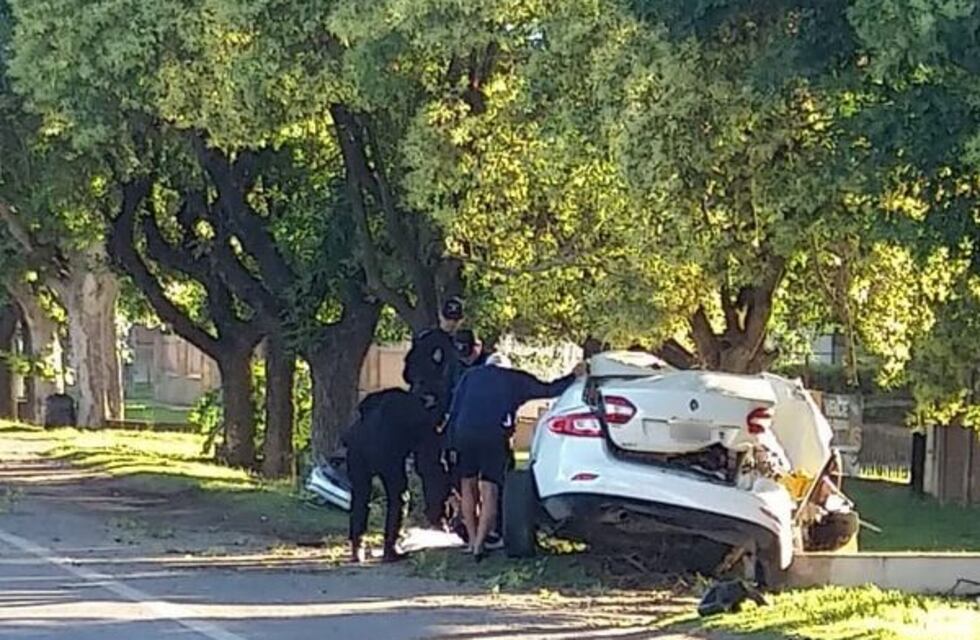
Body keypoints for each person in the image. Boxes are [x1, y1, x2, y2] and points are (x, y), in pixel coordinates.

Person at [447, 353, 588, 560]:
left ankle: (471, 539)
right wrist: (573, 376)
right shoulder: (513, 378)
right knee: (489, 488)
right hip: (492, 435)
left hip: (463, 433)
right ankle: (479, 546)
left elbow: (454, 409)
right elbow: (548, 389)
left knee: (467, 485)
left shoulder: (470, 376)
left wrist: (449, 442)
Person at [344, 389, 453, 564]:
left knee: (360, 498)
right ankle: (390, 547)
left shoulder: (380, 400)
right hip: (388, 452)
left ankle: (357, 548)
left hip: (356, 447)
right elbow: (426, 452)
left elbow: (362, 409)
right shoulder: (418, 413)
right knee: (398, 498)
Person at [403, 297, 465, 416]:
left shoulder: (461, 344)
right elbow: (411, 371)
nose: (451, 323)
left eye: (455, 320)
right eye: (448, 318)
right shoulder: (427, 340)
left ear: (461, 321)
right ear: (441, 317)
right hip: (426, 401)